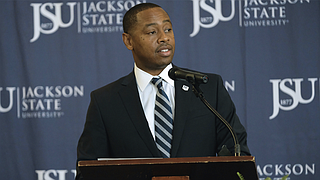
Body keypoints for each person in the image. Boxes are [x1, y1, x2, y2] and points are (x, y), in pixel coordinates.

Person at [76, 3, 250, 179]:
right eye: (152, 32)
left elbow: (237, 155)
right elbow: (89, 171)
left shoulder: (209, 88)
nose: (164, 38)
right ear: (128, 41)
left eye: (168, 29)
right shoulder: (105, 101)